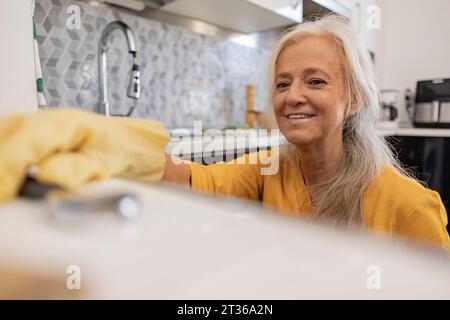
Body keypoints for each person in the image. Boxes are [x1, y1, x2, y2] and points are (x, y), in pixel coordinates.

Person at [163, 15, 450, 250]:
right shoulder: (267, 169)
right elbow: (187, 180)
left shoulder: (411, 208)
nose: (292, 97)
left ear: (354, 100)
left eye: (315, 81)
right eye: (282, 84)